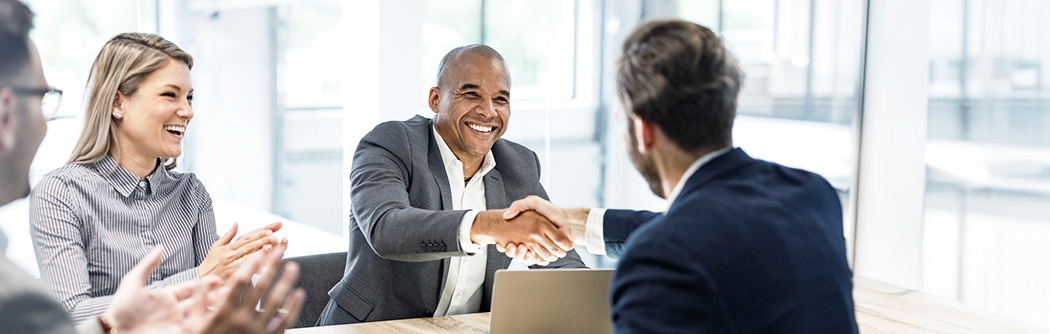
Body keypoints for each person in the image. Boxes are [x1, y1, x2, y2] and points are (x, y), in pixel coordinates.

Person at [501, 20, 859, 333]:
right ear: (729, 107)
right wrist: (576, 223)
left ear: (642, 131)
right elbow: (712, 233)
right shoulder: (812, 195)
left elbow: (689, 240)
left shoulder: (660, 260)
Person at [0, 0, 304, 332]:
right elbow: (72, 312)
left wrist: (243, 272)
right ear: (118, 103)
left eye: (189, 97)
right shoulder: (62, 193)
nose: (187, 111)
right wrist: (200, 276)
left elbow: (221, 301)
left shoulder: (191, 194)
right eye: (170, 95)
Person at [316, 44, 586, 325]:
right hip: (371, 328)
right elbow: (387, 228)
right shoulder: (391, 143)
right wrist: (487, 226)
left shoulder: (517, 165)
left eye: (501, 99)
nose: (488, 111)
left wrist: (597, 297)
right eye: (471, 94)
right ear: (435, 99)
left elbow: (559, 257)